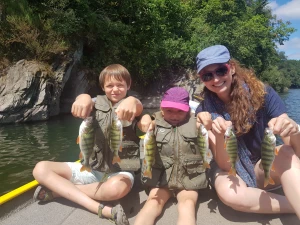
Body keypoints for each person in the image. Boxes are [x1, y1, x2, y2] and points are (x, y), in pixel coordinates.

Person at [33, 64, 146, 225]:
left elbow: (138, 108)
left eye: (120, 85)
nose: (115, 89)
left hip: (120, 173)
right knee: (40, 168)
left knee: (117, 189)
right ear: (102, 87)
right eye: (110, 85)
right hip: (92, 169)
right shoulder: (95, 102)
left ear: (129, 85)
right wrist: (83, 97)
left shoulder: (132, 106)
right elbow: (85, 101)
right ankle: (99, 206)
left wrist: (133, 100)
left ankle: (60, 192)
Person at [195, 45, 300, 218]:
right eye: (207, 75)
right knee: (230, 194)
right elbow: (225, 165)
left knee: (286, 152)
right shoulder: (204, 111)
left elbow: (296, 149)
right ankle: (292, 205)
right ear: (202, 79)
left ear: (232, 68)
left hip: (261, 165)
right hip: (229, 171)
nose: (215, 79)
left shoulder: (263, 93)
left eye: (221, 70)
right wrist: (220, 135)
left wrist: (293, 131)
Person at [134, 87, 208, 225]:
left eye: (180, 111)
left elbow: (209, 127)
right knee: (152, 203)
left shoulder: (197, 124)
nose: (174, 115)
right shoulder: (154, 124)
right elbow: (141, 123)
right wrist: (144, 117)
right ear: (161, 109)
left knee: (187, 205)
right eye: (169, 110)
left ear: (187, 109)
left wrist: (206, 119)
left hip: (189, 179)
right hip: (162, 179)